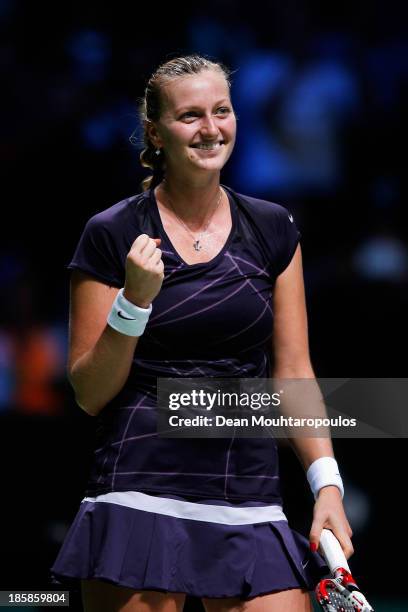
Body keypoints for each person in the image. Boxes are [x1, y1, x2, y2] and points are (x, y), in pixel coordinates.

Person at [51, 54, 353, 612]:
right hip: (139, 483)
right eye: (190, 116)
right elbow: (90, 393)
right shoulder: (111, 232)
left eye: (222, 111)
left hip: (249, 485)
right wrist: (133, 304)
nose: (211, 128)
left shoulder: (273, 228)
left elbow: (293, 372)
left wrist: (326, 485)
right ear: (155, 132)